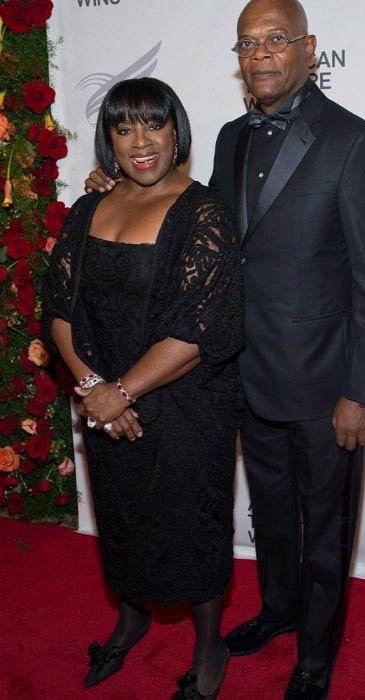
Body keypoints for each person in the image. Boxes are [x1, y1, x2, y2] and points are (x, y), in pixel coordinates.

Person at [85, 1, 365, 698]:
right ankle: (279, 612)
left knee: (324, 532)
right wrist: (113, 185)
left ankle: (315, 659)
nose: (259, 54)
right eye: (246, 43)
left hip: (324, 388)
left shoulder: (355, 142)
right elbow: (191, 218)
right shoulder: (229, 138)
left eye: (275, 40)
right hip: (236, 378)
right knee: (270, 515)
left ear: (308, 49)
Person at [43, 77, 244, 700]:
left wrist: (119, 393)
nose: (141, 142)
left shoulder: (205, 212)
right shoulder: (89, 207)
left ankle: (210, 643)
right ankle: (130, 619)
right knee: (122, 516)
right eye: (124, 128)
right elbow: (58, 306)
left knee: (194, 526)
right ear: (108, 141)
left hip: (189, 407)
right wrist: (94, 385)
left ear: (176, 130)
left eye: (153, 124)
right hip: (105, 402)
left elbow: (200, 328)